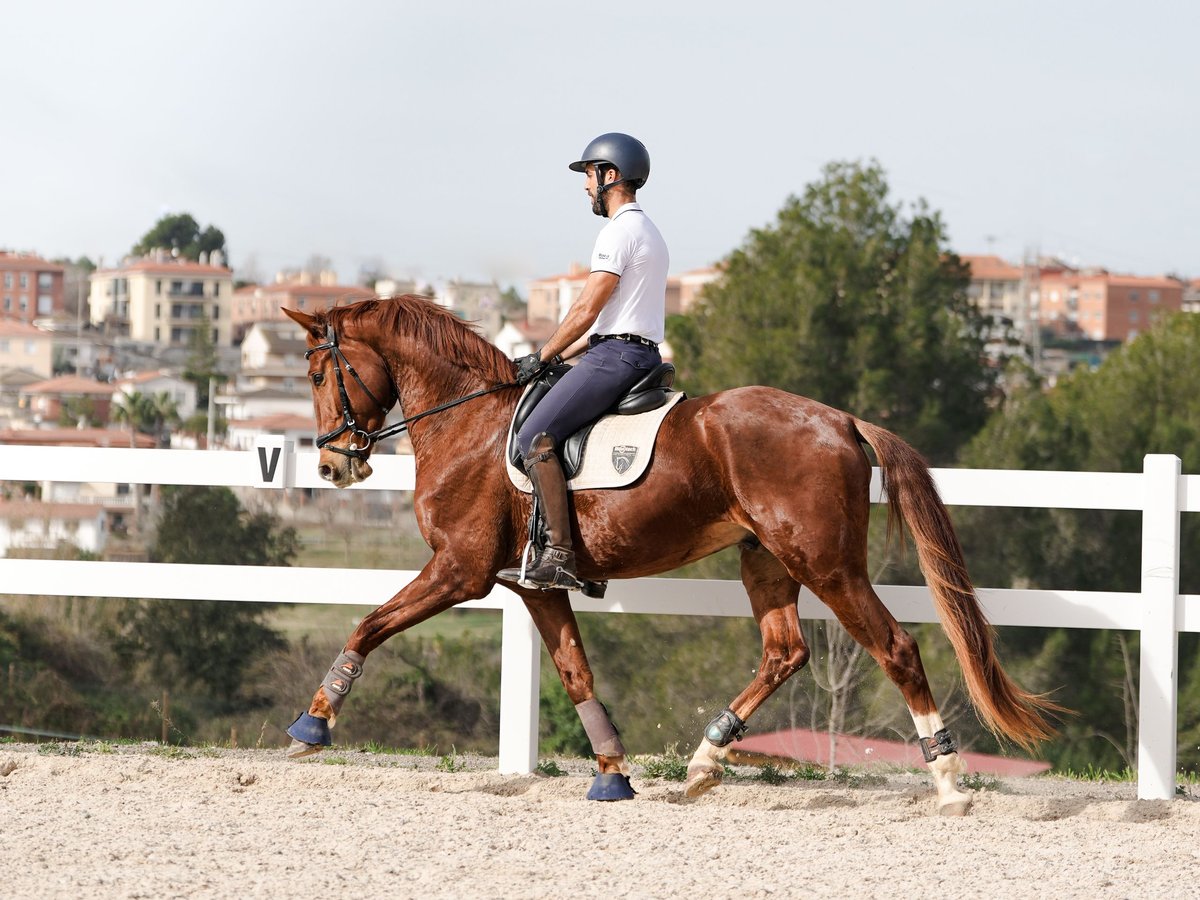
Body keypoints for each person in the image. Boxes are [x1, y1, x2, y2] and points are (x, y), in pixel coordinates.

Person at [497, 132, 669, 591]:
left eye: (588, 176)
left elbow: (586, 310)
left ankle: (559, 555)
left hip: (618, 356)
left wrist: (541, 355)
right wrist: (554, 358)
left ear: (609, 176)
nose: (584, 187)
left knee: (535, 436)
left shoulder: (618, 232)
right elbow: (600, 326)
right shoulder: (648, 230)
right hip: (623, 349)